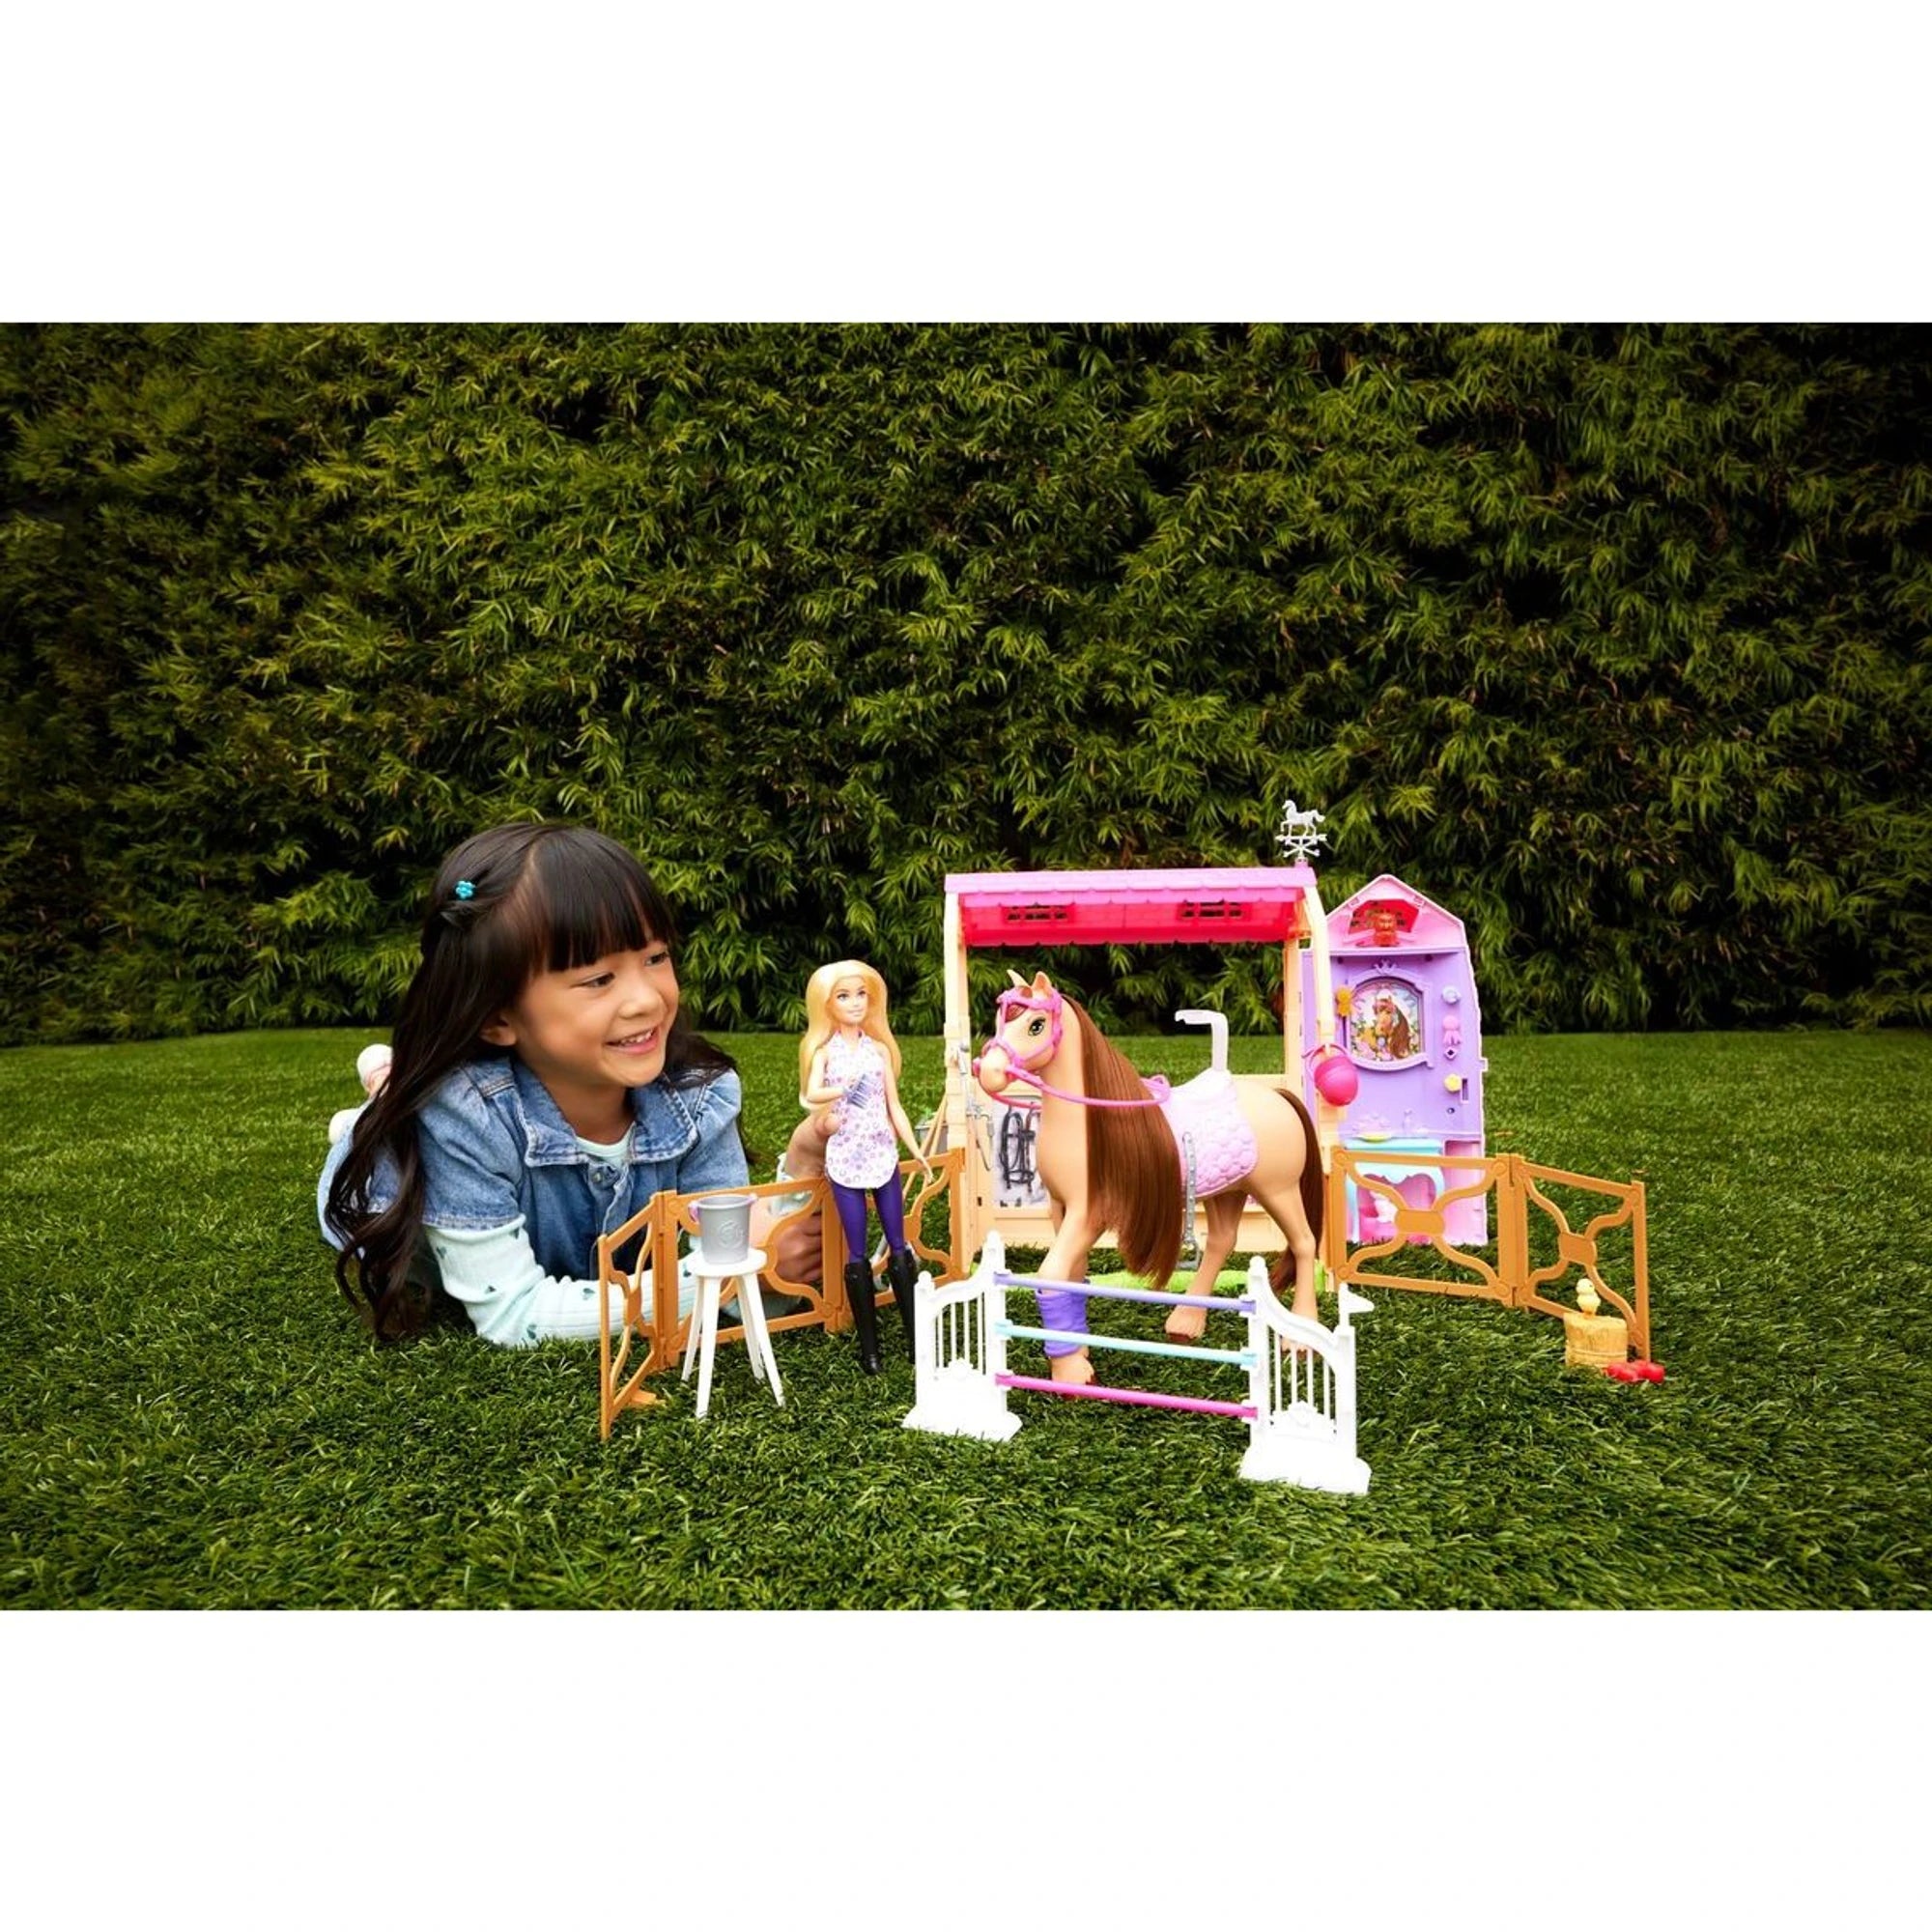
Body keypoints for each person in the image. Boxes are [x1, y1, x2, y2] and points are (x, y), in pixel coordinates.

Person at [318, 822, 822, 1345]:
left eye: (655, 957)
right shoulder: (465, 1116)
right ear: (497, 1017)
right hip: (386, 1174)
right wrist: (731, 1273)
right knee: (396, 1119)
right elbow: (515, 1314)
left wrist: (794, 1195)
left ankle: (386, 1076)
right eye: (599, 979)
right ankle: (376, 1105)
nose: (647, 999)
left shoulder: (699, 1096)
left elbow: (751, 1275)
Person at [798, 959, 929, 1373]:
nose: (855, 1003)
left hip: (882, 1153)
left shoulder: (878, 1051)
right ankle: (870, 1350)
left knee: (897, 1244)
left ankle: (917, 1340)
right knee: (856, 1251)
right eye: (844, 996)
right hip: (845, 1158)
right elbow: (810, 1094)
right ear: (827, 1004)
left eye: (860, 994)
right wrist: (840, 1090)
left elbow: (895, 1107)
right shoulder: (825, 1053)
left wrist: (916, 1151)